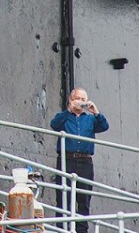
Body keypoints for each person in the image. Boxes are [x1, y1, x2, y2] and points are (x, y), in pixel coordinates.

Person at [50, 87, 109, 233]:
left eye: (83, 99)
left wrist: (96, 112)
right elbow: (54, 125)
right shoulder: (64, 116)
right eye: (78, 98)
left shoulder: (90, 119)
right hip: (66, 160)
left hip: (85, 162)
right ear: (71, 100)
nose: (81, 102)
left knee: (84, 199)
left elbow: (104, 126)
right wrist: (69, 110)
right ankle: (62, 229)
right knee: (63, 196)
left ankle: (82, 231)